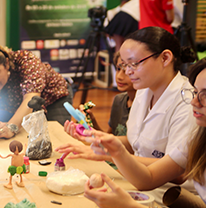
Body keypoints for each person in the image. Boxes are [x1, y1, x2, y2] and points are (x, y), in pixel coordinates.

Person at [58, 26, 197, 202]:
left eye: (134, 63)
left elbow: (177, 174)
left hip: (173, 196)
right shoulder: (144, 91)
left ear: (165, 58)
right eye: (123, 65)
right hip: (138, 180)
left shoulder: (187, 104)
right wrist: (96, 139)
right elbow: (135, 142)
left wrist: (112, 154)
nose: (128, 72)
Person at [84, 58, 206, 207]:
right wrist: (113, 150)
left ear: (165, 59)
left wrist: (129, 205)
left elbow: (173, 175)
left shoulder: (185, 111)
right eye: (195, 92)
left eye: (134, 63)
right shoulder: (199, 135)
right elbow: (149, 177)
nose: (194, 102)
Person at [0, 36, 73, 140]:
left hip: (53, 99)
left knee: (54, 137)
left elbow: (31, 99)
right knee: (3, 135)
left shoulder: (25, 60)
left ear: (6, 63)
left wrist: (11, 127)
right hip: (13, 103)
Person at [82, 51, 136, 136]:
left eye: (127, 71)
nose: (119, 77)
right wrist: (92, 122)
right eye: (118, 69)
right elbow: (110, 139)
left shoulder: (147, 105)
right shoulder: (119, 100)